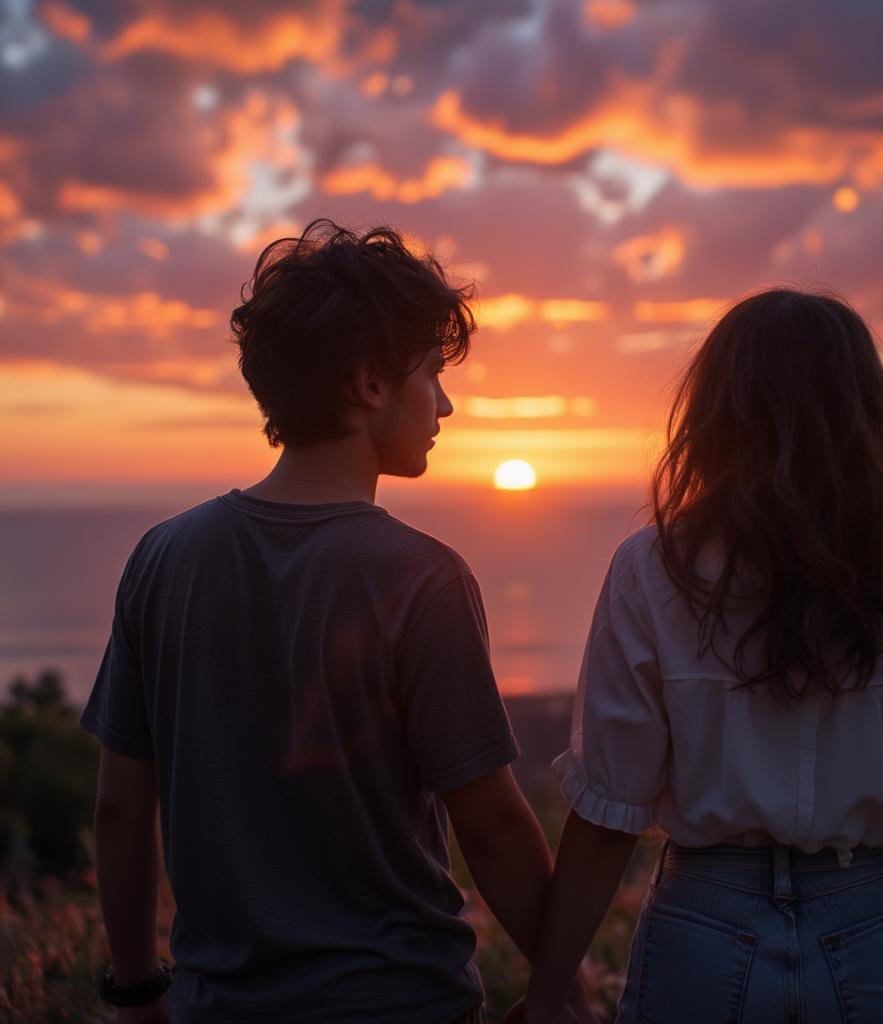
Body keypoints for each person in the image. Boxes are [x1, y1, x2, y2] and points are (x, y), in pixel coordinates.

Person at [81, 220, 592, 1024]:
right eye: (432, 374)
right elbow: (489, 821)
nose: (447, 404)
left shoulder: (163, 557)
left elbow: (119, 804)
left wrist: (140, 987)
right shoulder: (423, 578)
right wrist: (563, 985)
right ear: (371, 384)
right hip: (397, 1002)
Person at [515, 289, 883, 1024]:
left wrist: (546, 995)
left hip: (703, 927)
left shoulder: (651, 569)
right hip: (870, 922)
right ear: (867, 417)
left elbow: (608, 816)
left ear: (714, 415)